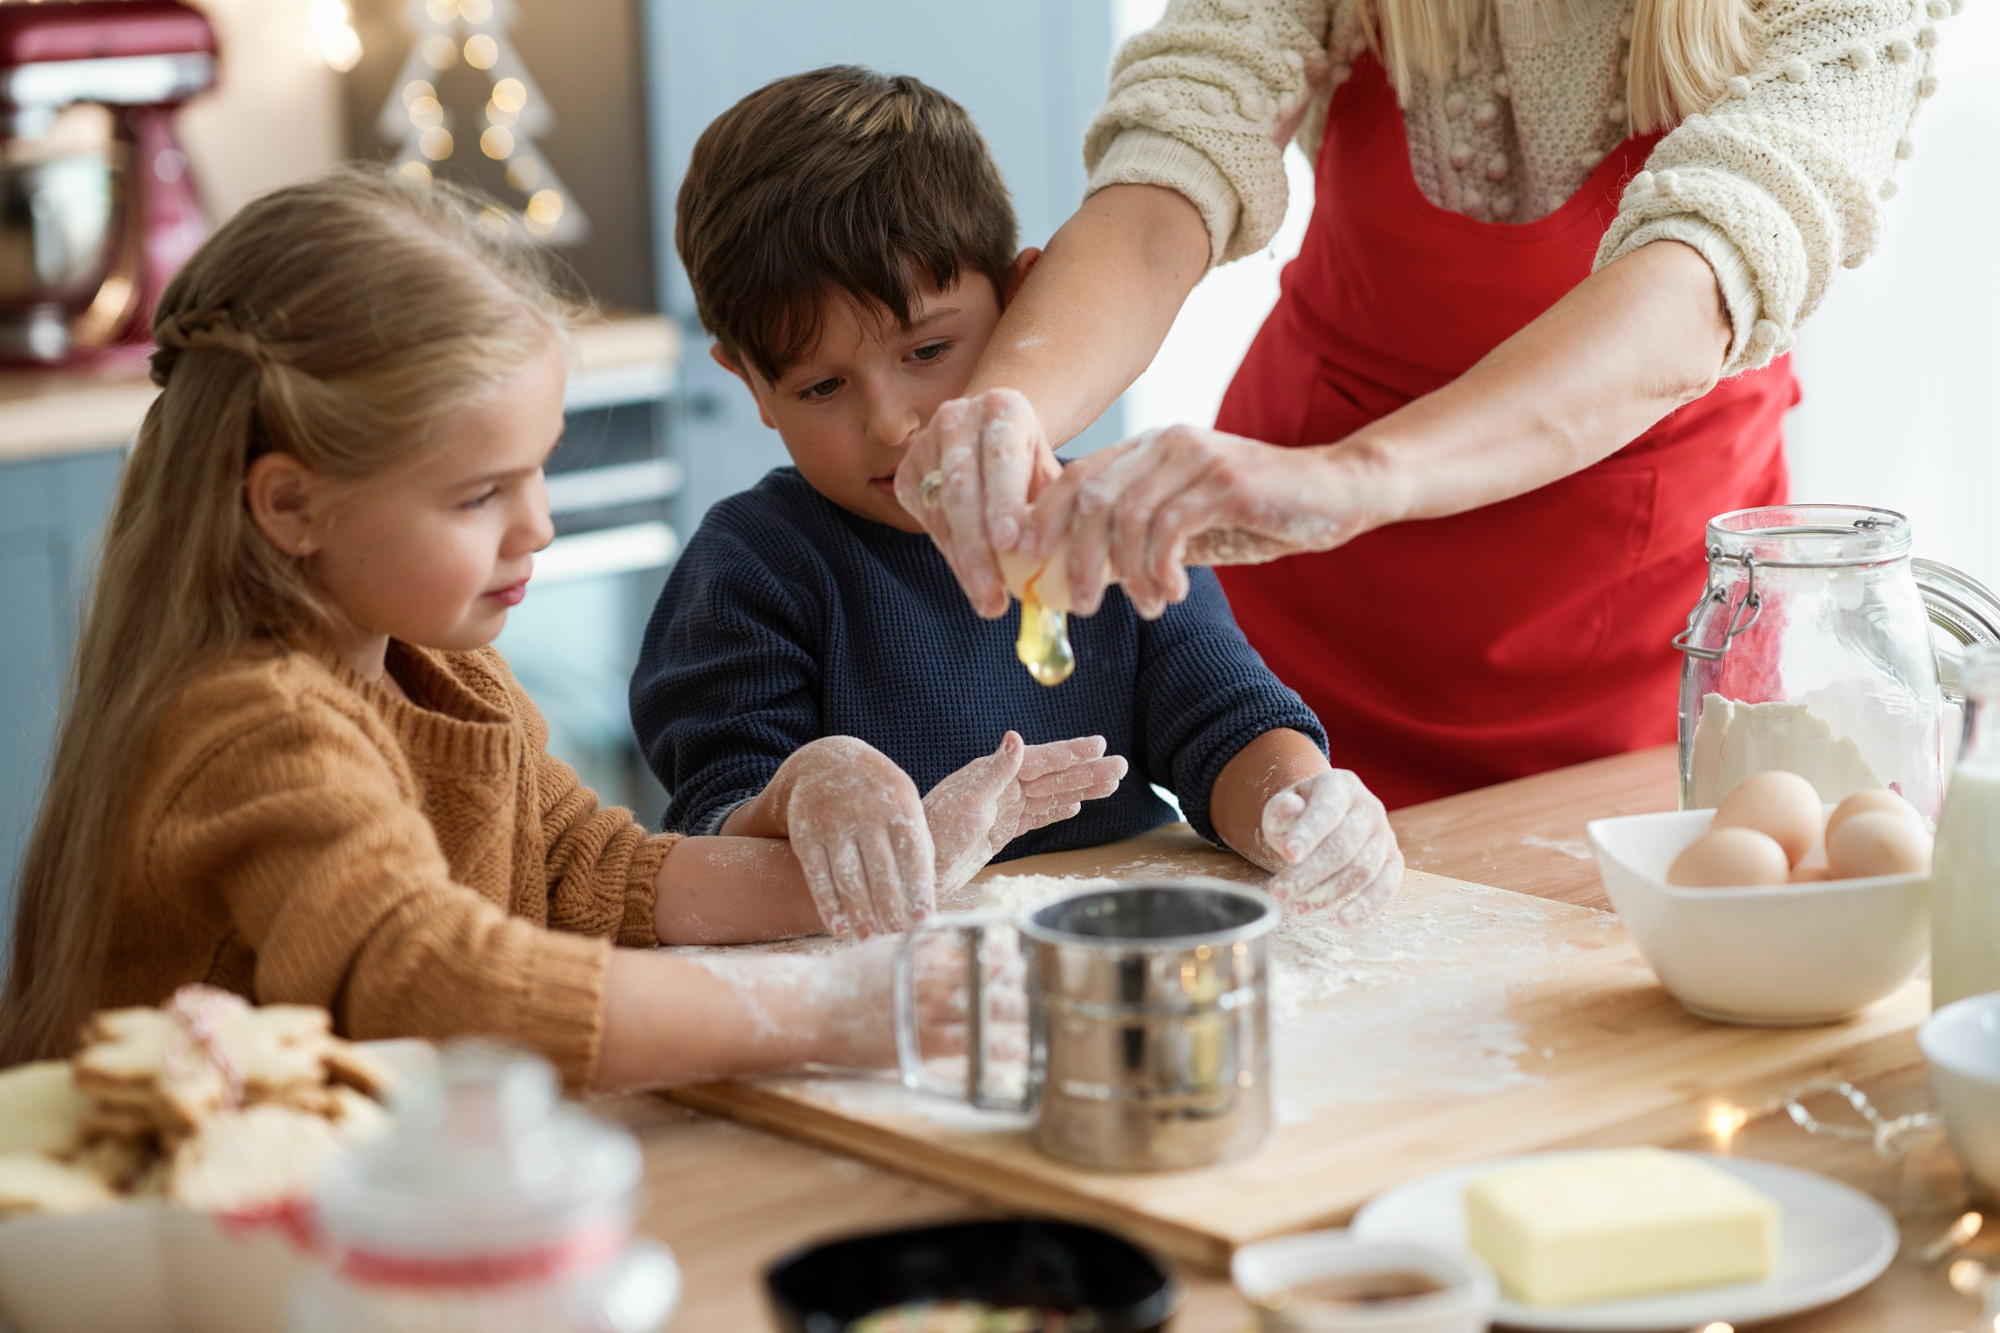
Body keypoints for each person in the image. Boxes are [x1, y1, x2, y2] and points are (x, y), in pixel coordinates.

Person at [0, 168, 1003, 1088]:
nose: (538, 526)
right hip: (173, 1204)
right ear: (293, 506)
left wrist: (885, 870)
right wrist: (820, 1009)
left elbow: (585, 873)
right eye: (480, 493)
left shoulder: (441, 668)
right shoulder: (254, 727)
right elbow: (429, 980)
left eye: (537, 470)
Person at [895, 0, 1944, 807]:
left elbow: (1705, 274)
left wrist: (1352, 478)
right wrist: (1007, 407)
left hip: (1635, 649)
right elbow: (1175, 151)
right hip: (1300, 638)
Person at [630, 67, 1402, 927]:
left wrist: (1301, 807)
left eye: (927, 352)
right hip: (882, 981)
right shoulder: (749, 568)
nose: (891, 422)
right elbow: (713, 828)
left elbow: (1226, 725)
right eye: (821, 387)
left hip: (1111, 950)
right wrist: (802, 789)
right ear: (751, 385)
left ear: (1023, 301)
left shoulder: (1103, 519)